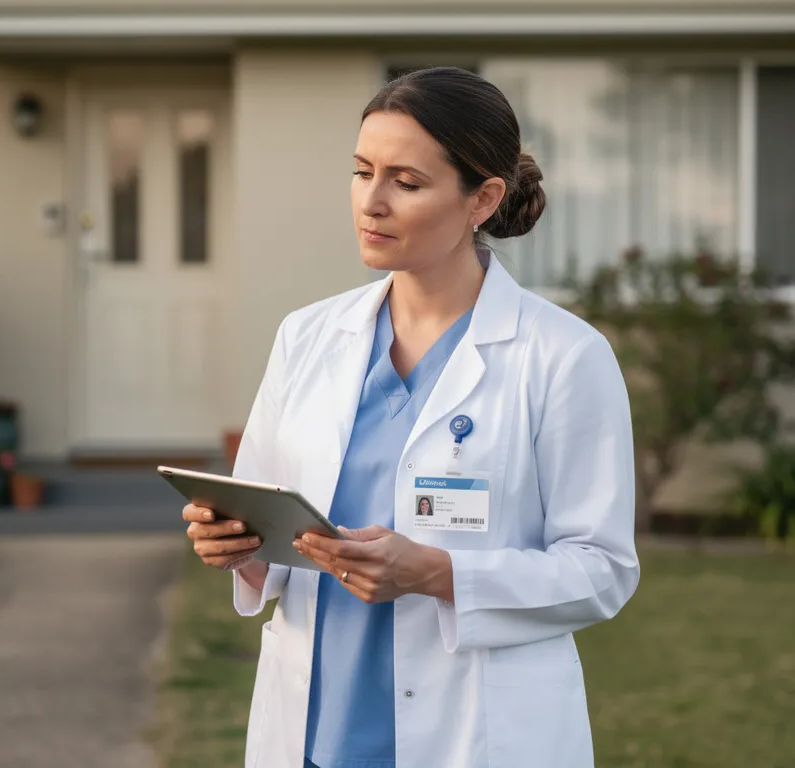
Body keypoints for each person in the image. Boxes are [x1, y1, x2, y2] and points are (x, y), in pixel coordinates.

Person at [181, 66, 639, 768]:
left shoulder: (563, 357)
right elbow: (272, 536)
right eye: (362, 172)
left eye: (407, 181)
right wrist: (236, 551)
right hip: (314, 730)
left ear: (482, 198)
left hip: (479, 735)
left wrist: (437, 573)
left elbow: (602, 569)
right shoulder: (307, 338)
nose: (372, 202)